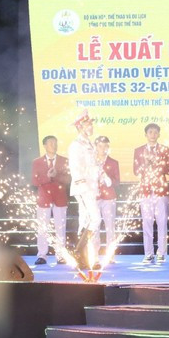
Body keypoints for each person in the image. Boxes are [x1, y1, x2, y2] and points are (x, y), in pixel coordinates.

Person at [133, 123, 169, 263]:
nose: (153, 134)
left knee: (162, 222)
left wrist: (157, 163)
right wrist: (145, 164)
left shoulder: (165, 150)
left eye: (155, 132)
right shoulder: (139, 150)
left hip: (161, 191)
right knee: (147, 223)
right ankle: (148, 253)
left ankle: (161, 253)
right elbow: (135, 171)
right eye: (150, 132)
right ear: (146, 134)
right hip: (145, 191)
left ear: (159, 134)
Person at [68, 109, 102, 269]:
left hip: (91, 187)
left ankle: (84, 257)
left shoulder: (89, 144)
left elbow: (93, 166)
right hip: (83, 188)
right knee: (95, 219)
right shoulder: (76, 145)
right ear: (80, 126)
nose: (91, 126)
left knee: (87, 220)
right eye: (88, 124)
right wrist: (84, 187)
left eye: (91, 124)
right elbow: (75, 168)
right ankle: (78, 251)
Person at [31, 135, 71, 265]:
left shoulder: (64, 160)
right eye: (51, 143)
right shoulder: (37, 162)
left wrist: (56, 175)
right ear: (44, 146)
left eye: (55, 143)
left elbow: (68, 179)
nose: (54, 145)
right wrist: (47, 177)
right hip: (44, 199)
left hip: (60, 198)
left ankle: (60, 255)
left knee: (60, 228)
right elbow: (34, 181)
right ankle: (42, 255)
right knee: (43, 228)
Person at [94, 136, 120, 262]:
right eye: (100, 146)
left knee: (110, 227)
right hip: (94, 197)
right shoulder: (90, 162)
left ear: (108, 147)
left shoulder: (113, 162)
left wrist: (106, 179)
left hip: (109, 197)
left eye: (105, 146)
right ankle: (94, 255)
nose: (102, 149)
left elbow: (117, 182)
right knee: (95, 227)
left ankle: (110, 255)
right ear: (95, 147)